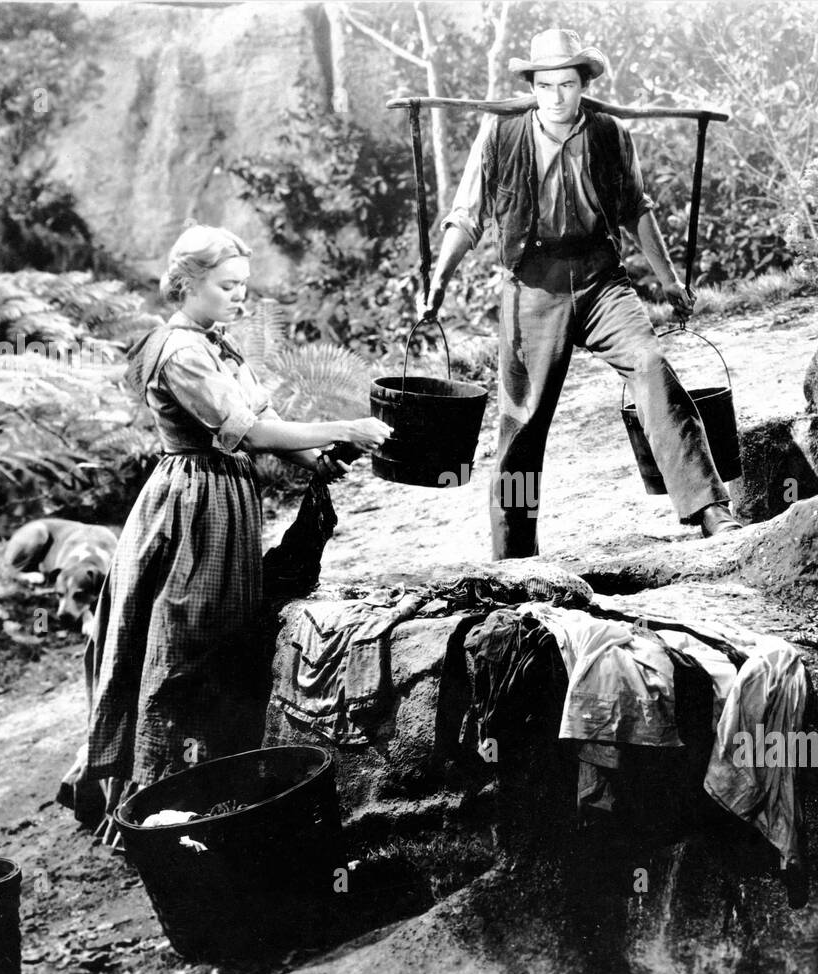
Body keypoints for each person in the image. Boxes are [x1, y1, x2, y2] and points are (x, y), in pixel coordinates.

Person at [78, 224, 391, 844]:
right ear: (187, 284)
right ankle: (151, 794)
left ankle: (211, 780)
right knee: (183, 641)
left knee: (224, 636)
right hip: (189, 510)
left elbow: (266, 419)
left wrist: (318, 459)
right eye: (227, 287)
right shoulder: (179, 352)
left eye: (244, 286)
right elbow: (247, 434)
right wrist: (347, 426)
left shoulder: (219, 345)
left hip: (226, 503)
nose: (239, 298)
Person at [420, 27, 744, 560]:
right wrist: (439, 281)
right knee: (523, 420)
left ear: (582, 84)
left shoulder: (609, 133)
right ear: (533, 86)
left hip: (600, 277)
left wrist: (668, 280)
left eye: (566, 85)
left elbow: (636, 209)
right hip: (532, 284)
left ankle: (711, 509)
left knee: (651, 364)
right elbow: (467, 215)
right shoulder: (501, 135)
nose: (555, 97)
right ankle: (515, 554)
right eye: (545, 85)